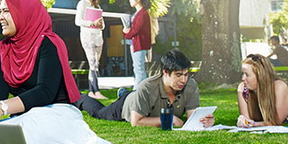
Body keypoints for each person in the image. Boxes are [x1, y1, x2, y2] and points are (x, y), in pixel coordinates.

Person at [0, 0, 136, 144]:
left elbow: (45, 92)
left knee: (32, 123)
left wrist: (2, 108)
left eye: (6, 11)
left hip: (57, 115)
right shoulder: (1, 50)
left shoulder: (49, 43)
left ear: (24, 12)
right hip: (24, 119)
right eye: (0, 11)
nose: (0, 17)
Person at [76, 48, 214, 128]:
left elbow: (191, 120)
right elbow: (136, 122)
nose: (183, 80)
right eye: (178, 75)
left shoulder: (190, 85)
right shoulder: (148, 87)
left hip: (140, 97)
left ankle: (125, 93)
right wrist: (168, 120)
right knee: (99, 112)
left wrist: (204, 121)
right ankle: (80, 97)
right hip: (126, 105)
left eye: (186, 74)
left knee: (139, 95)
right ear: (165, 72)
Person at [75, 0, 106, 100]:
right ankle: (95, 90)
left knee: (95, 64)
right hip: (88, 37)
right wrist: (91, 23)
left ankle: (91, 91)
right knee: (92, 63)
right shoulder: (82, 4)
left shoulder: (97, 5)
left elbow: (102, 23)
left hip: (98, 37)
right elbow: (78, 21)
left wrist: (101, 24)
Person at [122, 0, 152, 90]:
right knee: (138, 68)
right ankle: (145, 89)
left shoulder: (142, 13)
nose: (130, 1)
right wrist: (126, 32)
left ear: (138, 0)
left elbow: (136, 30)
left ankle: (137, 90)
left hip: (139, 44)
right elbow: (133, 29)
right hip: (135, 43)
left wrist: (127, 34)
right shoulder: (138, 13)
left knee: (138, 68)